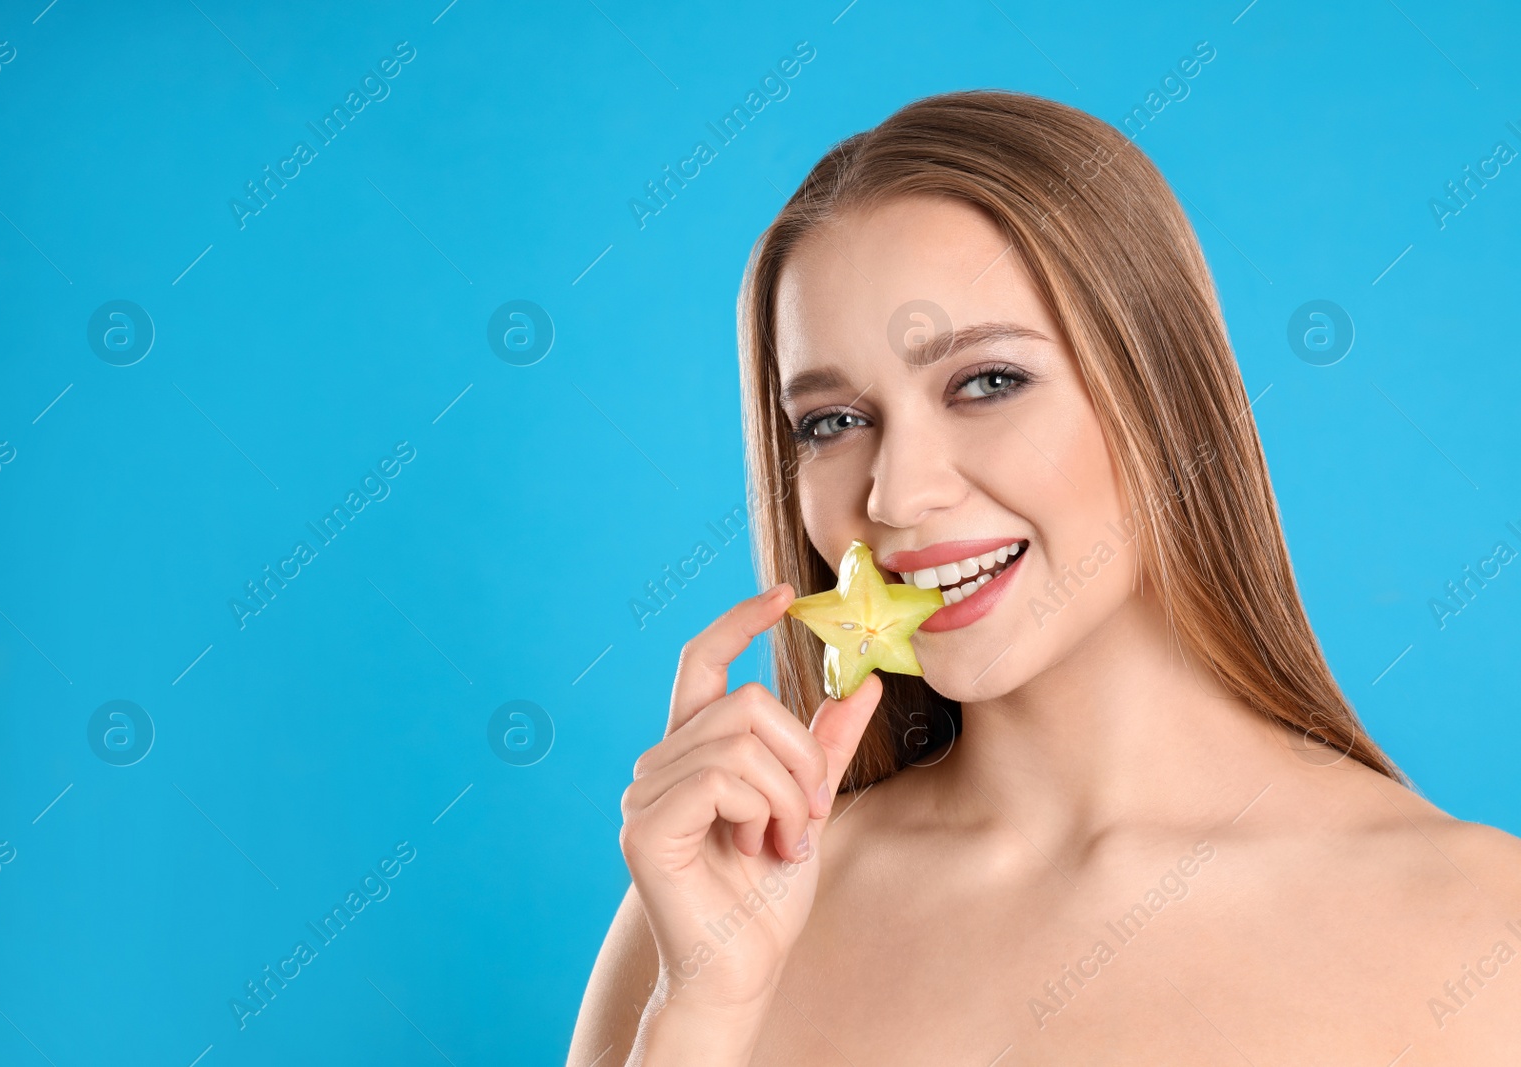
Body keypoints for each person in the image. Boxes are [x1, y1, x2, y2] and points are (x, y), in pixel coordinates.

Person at [567, 90, 1521, 1064]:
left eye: (985, 382)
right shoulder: (703, 917)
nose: (896, 493)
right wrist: (703, 1011)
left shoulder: (1485, 929)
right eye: (833, 422)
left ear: (1164, 397)